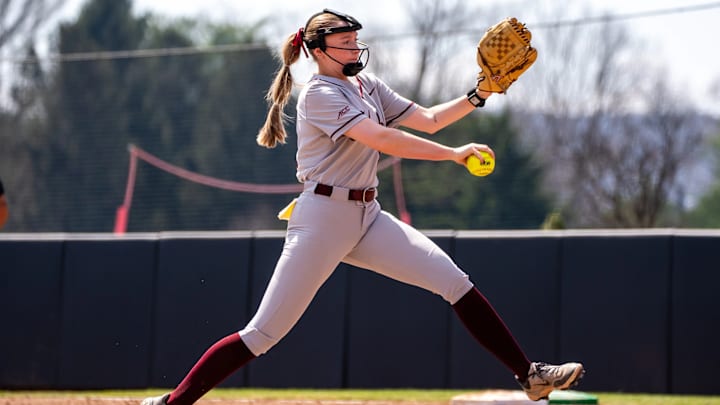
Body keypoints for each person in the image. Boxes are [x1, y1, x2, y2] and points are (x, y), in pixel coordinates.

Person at [141, 9, 583, 405]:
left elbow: (427, 119)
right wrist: (453, 154)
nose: (355, 46)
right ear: (318, 50)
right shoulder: (319, 94)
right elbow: (384, 139)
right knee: (262, 335)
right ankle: (174, 403)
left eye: (356, 39)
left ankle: (530, 375)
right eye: (345, 42)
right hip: (322, 220)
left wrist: (478, 93)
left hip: (367, 216)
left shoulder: (365, 85)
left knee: (454, 281)